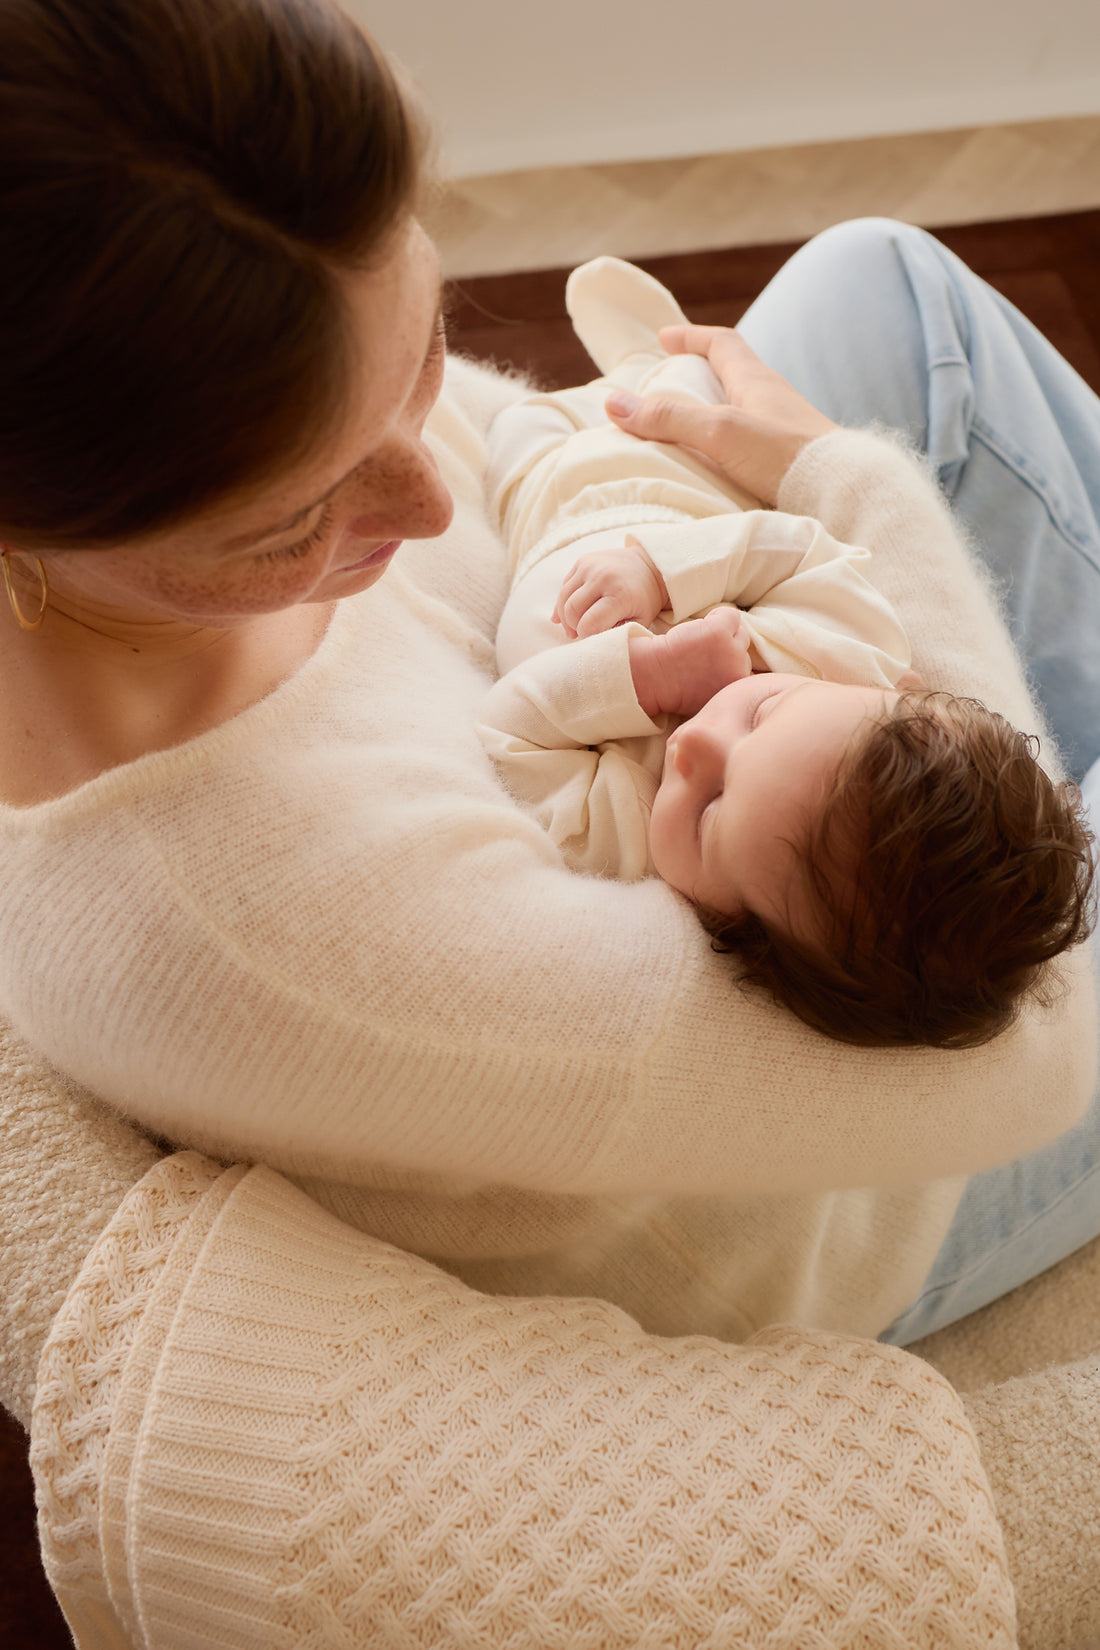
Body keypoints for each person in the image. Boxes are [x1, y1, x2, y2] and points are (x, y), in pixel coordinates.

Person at [1, 0, 1099, 1641]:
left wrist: (630, 511)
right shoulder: (292, 927)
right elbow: (1023, 1033)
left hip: (698, 783)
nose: (422, 493)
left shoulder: (224, 352)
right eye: (297, 517)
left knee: (886, 286)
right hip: (852, 1185)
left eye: (423, 347)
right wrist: (835, 485)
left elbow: (514, 447)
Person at [478, 258, 1095, 1048]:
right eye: (764, 710)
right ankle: (643, 354)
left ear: (733, 932)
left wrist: (636, 678)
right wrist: (658, 569)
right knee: (679, 376)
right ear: (896, 685)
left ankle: (595, 391)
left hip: (539, 507)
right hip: (670, 485)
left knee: (514, 429)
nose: (696, 744)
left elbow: (510, 734)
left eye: (707, 813)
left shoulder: (620, 839)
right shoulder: (847, 649)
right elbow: (791, 546)